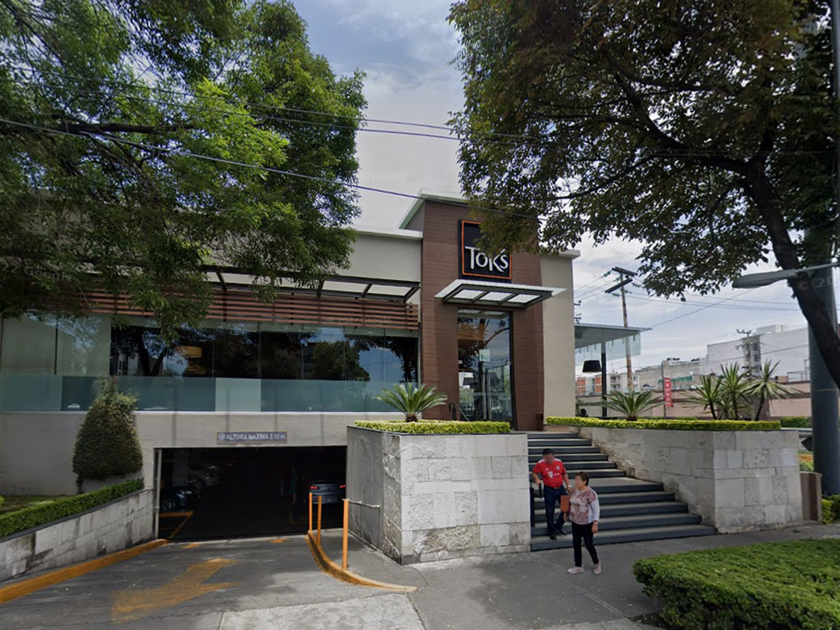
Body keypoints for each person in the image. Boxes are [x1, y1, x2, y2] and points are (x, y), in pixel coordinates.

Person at [531, 448, 571, 540]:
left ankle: (558, 525)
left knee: (567, 507)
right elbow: (534, 472)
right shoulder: (540, 463)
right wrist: (537, 479)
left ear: (553, 456)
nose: (549, 460)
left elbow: (564, 473)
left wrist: (568, 485)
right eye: (547, 458)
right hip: (549, 490)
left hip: (560, 488)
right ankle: (551, 531)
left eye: (550, 458)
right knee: (550, 511)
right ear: (544, 457)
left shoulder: (559, 462)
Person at [567, 471, 601, 575]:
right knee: (576, 543)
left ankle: (596, 562)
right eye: (575, 479)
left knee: (588, 544)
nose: (575, 481)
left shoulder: (590, 493)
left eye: (578, 480)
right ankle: (578, 566)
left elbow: (596, 509)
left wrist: (595, 523)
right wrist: (566, 513)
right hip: (575, 521)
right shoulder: (574, 490)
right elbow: (570, 502)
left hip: (587, 523)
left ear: (584, 481)